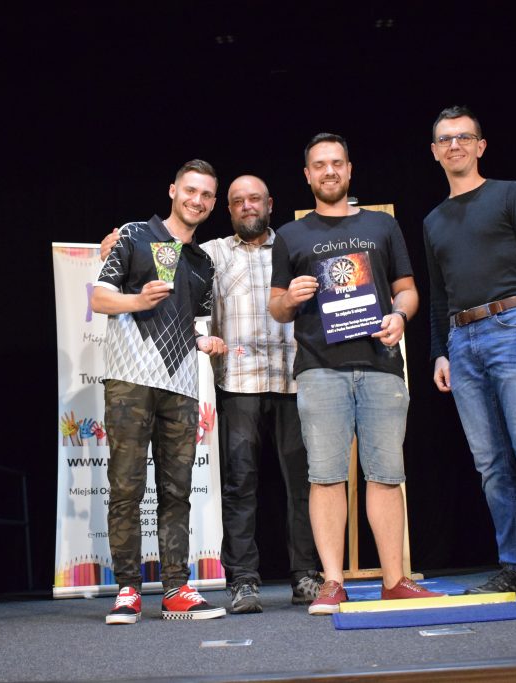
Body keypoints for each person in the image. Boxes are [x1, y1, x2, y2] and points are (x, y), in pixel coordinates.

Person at [101, 175, 322, 615]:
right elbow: (109, 293)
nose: (247, 206)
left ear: (270, 203)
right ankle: (224, 582)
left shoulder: (280, 247)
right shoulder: (196, 249)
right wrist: (115, 257)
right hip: (222, 382)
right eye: (237, 200)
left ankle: (295, 577)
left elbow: (194, 323)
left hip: (283, 379)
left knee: (292, 486)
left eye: (254, 199)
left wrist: (203, 341)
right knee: (212, 486)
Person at [269, 133, 443, 615]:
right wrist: (291, 298)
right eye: (319, 165)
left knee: (386, 476)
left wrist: (400, 316)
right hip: (320, 369)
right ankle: (331, 582)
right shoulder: (290, 236)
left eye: (337, 163)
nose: (329, 171)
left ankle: (394, 580)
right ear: (307, 175)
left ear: (349, 169)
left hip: (382, 367)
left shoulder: (381, 225)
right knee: (325, 478)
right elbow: (276, 307)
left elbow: (407, 290)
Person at [423, 106, 516, 604]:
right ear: (435, 152)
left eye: (464, 137)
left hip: (513, 327)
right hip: (461, 343)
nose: (455, 145)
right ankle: (514, 565)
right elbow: (438, 295)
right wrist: (440, 353)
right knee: (490, 463)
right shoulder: (433, 220)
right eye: (445, 139)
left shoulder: (510, 194)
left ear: (480, 145)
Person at [91, 159, 229, 624]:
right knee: (126, 488)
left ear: (213, 202)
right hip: (130, 381)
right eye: (191, 190)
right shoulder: (135, 234)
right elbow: (99, 297)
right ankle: (127, 590)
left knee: (177, 491)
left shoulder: (203, 262)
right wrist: (137, 300)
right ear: (173, 190)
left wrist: (205, 341)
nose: (197, 200)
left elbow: (194, 324)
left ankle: (175, 589)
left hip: (182, 386)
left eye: (206, 195)